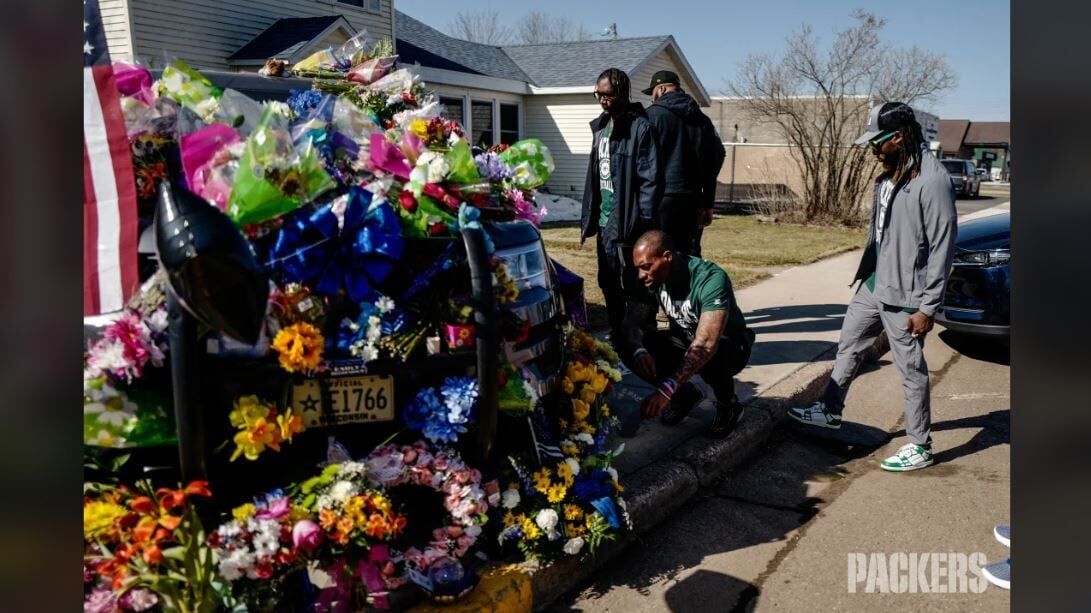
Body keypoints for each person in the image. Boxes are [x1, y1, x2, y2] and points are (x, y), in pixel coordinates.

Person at [786, 101, 958, 472]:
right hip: (873, 284)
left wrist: (928, 307)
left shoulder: (932, 181)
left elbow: (943, 247)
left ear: (898, 137)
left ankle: (920, 445)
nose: (872, 150)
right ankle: (830, 409)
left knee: (910, 369)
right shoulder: (887, 177)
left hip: (907, 295)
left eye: (876, 142)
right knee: (849, 343)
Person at [620, 230, 755, 438]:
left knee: (710, 354)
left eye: (646, 267)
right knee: (625, 342)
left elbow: (706, 342)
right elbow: (631, 322)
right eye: (638, 268)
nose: (641, 275)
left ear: (667, 257)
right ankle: (685, 396)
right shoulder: (652, 278)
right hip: (684, 337)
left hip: (729, 345)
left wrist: (666, 389)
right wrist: (639, 350)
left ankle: (729, 404)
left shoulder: (710, 279)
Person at [581, 68, 662, 342]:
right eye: (598, 95)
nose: (603, 100)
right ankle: (619, 336)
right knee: (607, 282)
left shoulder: (640, 127)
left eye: (608, 95)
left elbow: (650, 180)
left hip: (630, 224)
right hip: (605, 222)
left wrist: (646, 225)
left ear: (622, 93)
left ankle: (642, 339)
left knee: (637, 286)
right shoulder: (601, 127)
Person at [643, 70, 726, 256]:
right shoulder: (702, 120)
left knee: (657, 254)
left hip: (660, 200)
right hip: (693, 200)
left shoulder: (651, 116)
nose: (652, 98)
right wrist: (708, 203)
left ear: (662, 89)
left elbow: (641, 161)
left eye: (653, 93)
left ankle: (662, 287)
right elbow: (716, 157)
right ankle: (689, 286)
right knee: (689, 256)